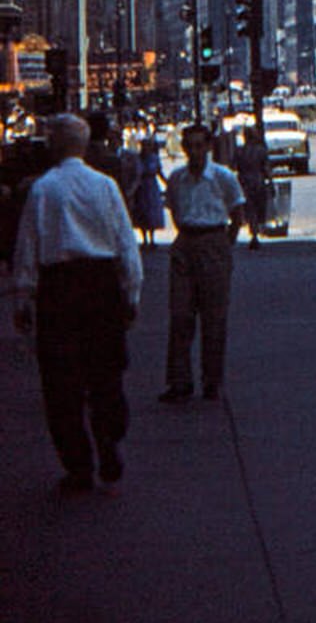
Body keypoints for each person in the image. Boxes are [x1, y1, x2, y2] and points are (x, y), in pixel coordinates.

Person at [11, 113, 143, 493]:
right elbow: (125, 243)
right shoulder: (105, 186)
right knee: (107, 371)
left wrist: (24, 297)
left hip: (59, 289)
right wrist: (131, 293)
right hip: (101, 285)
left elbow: (28, 246)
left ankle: (78, 463)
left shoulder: (43, 189)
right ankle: (109, 437)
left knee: (61, 382)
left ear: (56, 144)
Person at [161, 124, 245, 403]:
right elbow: (174, 210)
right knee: (181, 316)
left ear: (208, 147)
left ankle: (212, 381)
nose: (195, 152)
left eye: (200, 146)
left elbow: (238, 214)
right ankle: (179, 381)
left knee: (214, 318)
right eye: (190, 146)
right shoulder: (176, 179)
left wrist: (224, 246)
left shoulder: (222, 178)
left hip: (214, 242)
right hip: (185, 244)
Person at [234, 128, 269, 248]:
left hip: (244, 181)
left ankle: (254, 233)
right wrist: (270, 181)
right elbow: (266, 168)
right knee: (258, 207)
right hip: (258, 180)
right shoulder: (261, 151)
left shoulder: (240, 151)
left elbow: (235, 165)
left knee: (250, 209)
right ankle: (256, 233)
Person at [132, 134, 166, 245]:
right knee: (142, 211)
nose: (146, 148)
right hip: (141, 186)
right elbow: (135, 173)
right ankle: (144, 238)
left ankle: (152, 238)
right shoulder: (137, 158)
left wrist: (167, 183)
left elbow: (159, 172)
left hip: (152, 186)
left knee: (152, 212)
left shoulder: (154, 158)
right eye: (145, 145)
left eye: (148, 146)